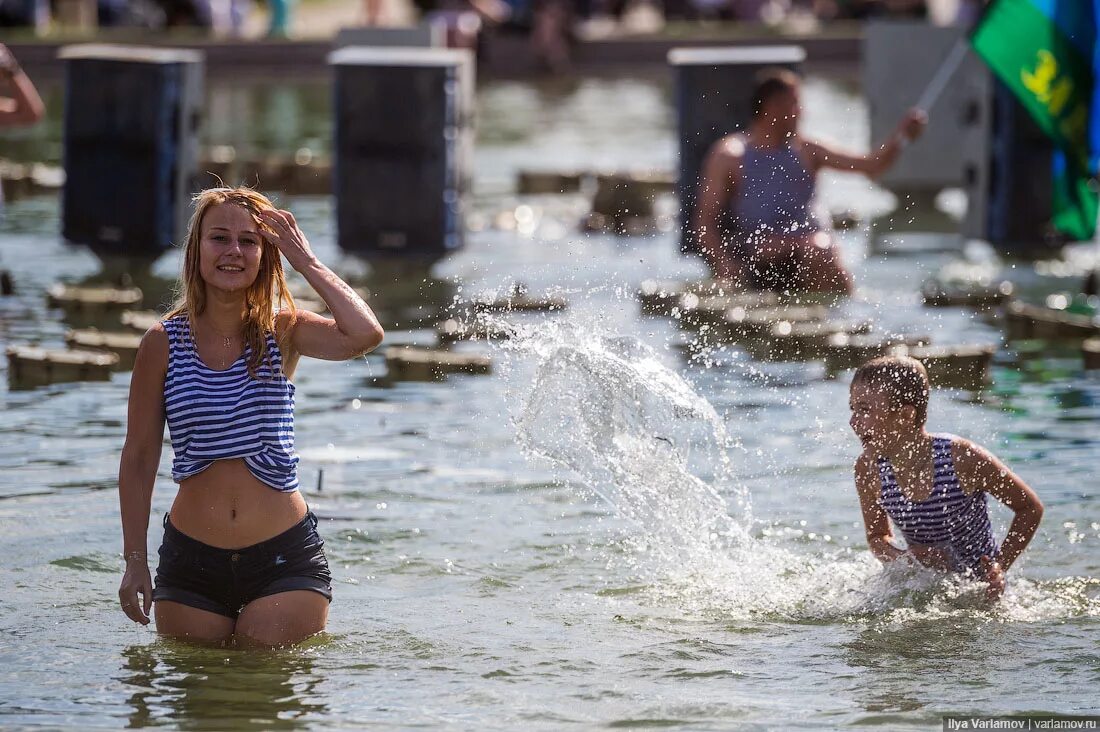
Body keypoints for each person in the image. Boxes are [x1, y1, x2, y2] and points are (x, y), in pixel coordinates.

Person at [117, 187, 385, 646]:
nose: (234, 252)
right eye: (219, 238)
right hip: (191, 562)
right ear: (196, 249)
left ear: (266, 254)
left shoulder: (285, 329)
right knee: (203, 702)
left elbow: (365, 334)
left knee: (262, 677)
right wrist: (135, 561)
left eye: (249, 241)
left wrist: (306, 262)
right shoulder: (161, 343)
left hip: (283, 558)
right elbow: (140, 457)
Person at [693, 68, 927, 294]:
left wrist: (901, 138)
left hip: (812, 249)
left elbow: (872, 166)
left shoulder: (808, 150)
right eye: (794, 103)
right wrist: (723, 264)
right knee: (804, 249)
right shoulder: (730, 155)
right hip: (761, 254)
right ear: (771, 107)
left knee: (823, 251)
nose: (801, 112)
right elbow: (705, 223)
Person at [848, 355, 1044, 600]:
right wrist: (904, 559)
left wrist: (999, 566)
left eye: (865, 410)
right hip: (925, 589)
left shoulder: (961, 458)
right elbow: (877, 538)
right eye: (853, 409)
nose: (853, 421)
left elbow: (1029, 507)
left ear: (905, 416)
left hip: (979, 589)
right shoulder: (868, 469)